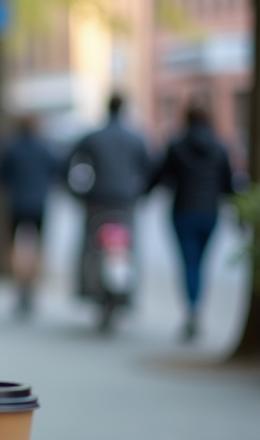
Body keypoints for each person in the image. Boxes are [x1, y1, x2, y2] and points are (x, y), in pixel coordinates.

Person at [147, 103, 234, 340]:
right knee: (202, 263)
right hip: (210, 213)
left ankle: (192, 310)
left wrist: (143, 192)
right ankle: (196, 308)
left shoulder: (176, 146)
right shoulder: (220, 148)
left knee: (189, 263)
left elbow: (160, 176)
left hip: (183, 212)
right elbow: (228, 185)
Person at [64, 93, 153, 300]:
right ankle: (128, 293)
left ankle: (87, 288)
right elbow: (150, 170)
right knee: (129, 246)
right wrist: (140, 193)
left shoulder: (92, 137)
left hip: (96, 200)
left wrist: (77, 191)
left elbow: (68, 163)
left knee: (91, 245)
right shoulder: (136, 138)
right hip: (125, 201)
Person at [0, 113, 60, 316]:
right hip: (39, 204)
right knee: (38, 247)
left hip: (16, 203)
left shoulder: (10, 148)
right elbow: (55, 172)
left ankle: (20, 284)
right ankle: (33, 285)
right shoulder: (45, 148)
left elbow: (0, 177)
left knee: (13, 246)